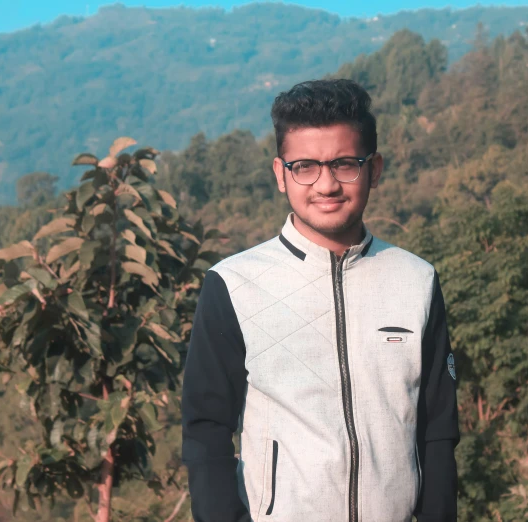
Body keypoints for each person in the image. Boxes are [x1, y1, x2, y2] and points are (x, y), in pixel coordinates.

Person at [181, 79, 459, 522]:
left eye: (345, 164)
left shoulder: (416, 280)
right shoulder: (233, 284)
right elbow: (206, 431)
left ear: (375, 168)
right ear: (280, 173)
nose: (326, 184)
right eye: (305, 166)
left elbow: (439, 431)